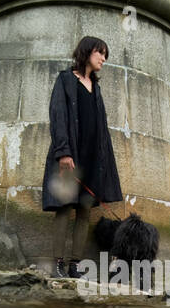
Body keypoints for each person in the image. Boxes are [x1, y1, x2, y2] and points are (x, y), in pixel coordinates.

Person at [41, 36, 124, 278]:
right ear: (87, 52)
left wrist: (103, 163)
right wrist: (63, 152)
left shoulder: (96, 88)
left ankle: (75, 265)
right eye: (101, 53)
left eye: (105, 55)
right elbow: (58, 117)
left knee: (84, 210)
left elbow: (102, 129)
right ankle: (58, 263)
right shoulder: (66, 80)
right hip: (71, 155)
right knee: (65, 208)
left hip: (91, 159)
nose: (103, 59)